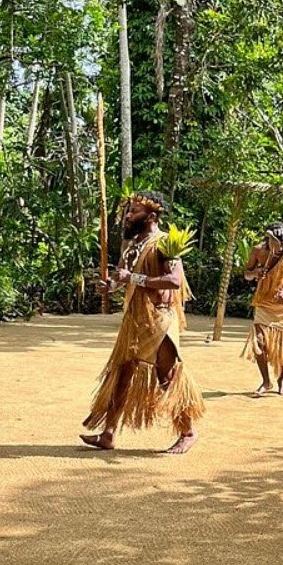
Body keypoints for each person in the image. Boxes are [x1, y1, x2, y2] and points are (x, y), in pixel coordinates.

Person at [80, 192, 204, 454]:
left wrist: (133, 278)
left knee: (166, 376)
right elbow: (122, 277)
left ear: (152, 217)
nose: (128, 216)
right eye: (129, 210)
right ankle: (108, 434)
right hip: (134, 319)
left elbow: (174, 281)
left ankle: (188, 432)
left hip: (160, 318)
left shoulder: (166, 244)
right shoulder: (131, 245)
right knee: (122, 373)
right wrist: (110, 286)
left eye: (134, 211)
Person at [242, 222, 283, 397]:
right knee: (259, 342)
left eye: (277, 241)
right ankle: (266, 381)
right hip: (263, 302)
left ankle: (281, 379)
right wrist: (256, 272)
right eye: (272, 240)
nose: (275, 245)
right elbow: (246, 274)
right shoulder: (258, 251)